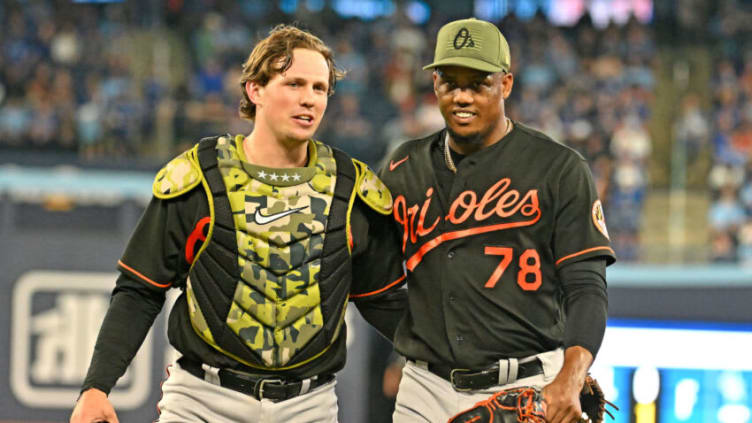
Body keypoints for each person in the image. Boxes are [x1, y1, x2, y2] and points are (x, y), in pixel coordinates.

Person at [70, 24, 406, 423]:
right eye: (294, 83)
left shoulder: (352, 190)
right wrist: (97, 386)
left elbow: (383, 299)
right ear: (255, 90)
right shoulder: (199, 178)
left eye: (320, 88)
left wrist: (466, 358)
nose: (309, 99)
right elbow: (139, 290)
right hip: (202, 402)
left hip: (309, 406)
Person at [379, 18, 616, 423]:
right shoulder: (404, 167)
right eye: (450, 82)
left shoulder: (558, 168)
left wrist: (571, 376)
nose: (462, 96)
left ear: (505, 85)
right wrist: (416, 334)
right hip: (424, 388)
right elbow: (374, 279)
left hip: (525, 383)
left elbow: (586, 287)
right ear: (435, 84)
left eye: (477, 83)